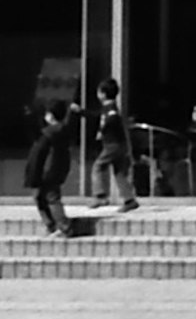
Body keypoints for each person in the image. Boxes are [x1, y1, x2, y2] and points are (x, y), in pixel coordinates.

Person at [23, 101, 78, 235]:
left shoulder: (50, 133)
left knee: (50, 197)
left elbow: (38, 153)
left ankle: (63, 226)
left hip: (48, 169)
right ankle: (53, 224)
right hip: (56, 168)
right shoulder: (62, 129)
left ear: (51, 116)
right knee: (43, 196)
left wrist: (33, 173)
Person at [91, 73, 139, 211]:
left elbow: (112, 119)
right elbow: (97, 116)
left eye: (99, 91)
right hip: (117, 145)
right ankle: (129, 200)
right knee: (119, 172)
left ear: (103, 94)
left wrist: (103, 131)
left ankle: (100, 195)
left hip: (113, 145)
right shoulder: (106, 108)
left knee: (98, 167)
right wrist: (81, 111)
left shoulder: (111, 109)